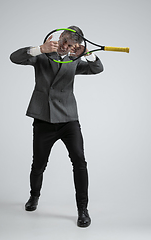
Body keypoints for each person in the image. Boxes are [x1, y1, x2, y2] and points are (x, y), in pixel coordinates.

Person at [10, 26, 103, 228]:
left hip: (69, 120)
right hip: (44, 119)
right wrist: (38, 49)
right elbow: (14, 57)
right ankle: (34, 196)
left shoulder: (74, 60)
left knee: (79, 161)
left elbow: (97, 69)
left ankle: (83, 210)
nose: (65, 48)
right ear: (60, 36)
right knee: (39, 164)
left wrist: (88, 56)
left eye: (71, 46)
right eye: (64, 42)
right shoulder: (43, 54)